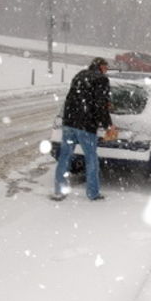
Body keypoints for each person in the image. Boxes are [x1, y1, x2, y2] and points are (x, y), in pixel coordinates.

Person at [52, 57, 116, 201]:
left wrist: (68, 118)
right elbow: (100, 105)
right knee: (91, 158)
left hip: (69, 122)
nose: (106, 70)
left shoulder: (80, 75)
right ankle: (93, 193)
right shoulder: (101, 80)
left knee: (65, 156)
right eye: (106, 67)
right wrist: (107, 125)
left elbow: (71, 98)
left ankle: (59, 190)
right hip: (86, 125)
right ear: (100, 66)